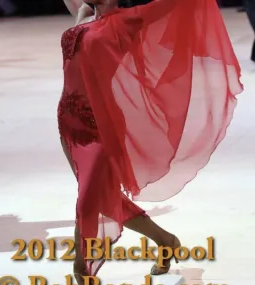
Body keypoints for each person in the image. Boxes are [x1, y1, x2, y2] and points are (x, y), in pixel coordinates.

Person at [58, 0, 243, 284]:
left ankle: (81, 271)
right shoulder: (83, 15)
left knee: (87, 203)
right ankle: (165, 240)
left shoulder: (128, 21)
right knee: (101, 197)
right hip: (69, 123)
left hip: (100, 126)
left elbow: (178, 6)